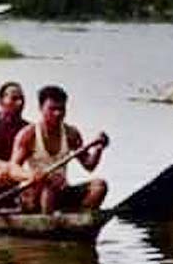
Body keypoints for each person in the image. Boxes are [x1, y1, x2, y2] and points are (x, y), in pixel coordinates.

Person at [9, 85, 108, 214]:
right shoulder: (29, 135)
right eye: (52, 109)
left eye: (61, 109)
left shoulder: (71, 133)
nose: (58, 113)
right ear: (41, 108)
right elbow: (13, 169)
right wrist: (32, 175)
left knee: (99, 186)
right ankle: (47, 223)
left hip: (61, 190)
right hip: (35, 193)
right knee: (48, 187)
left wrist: (99, 149)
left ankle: (77, 219)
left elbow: (89, 165)